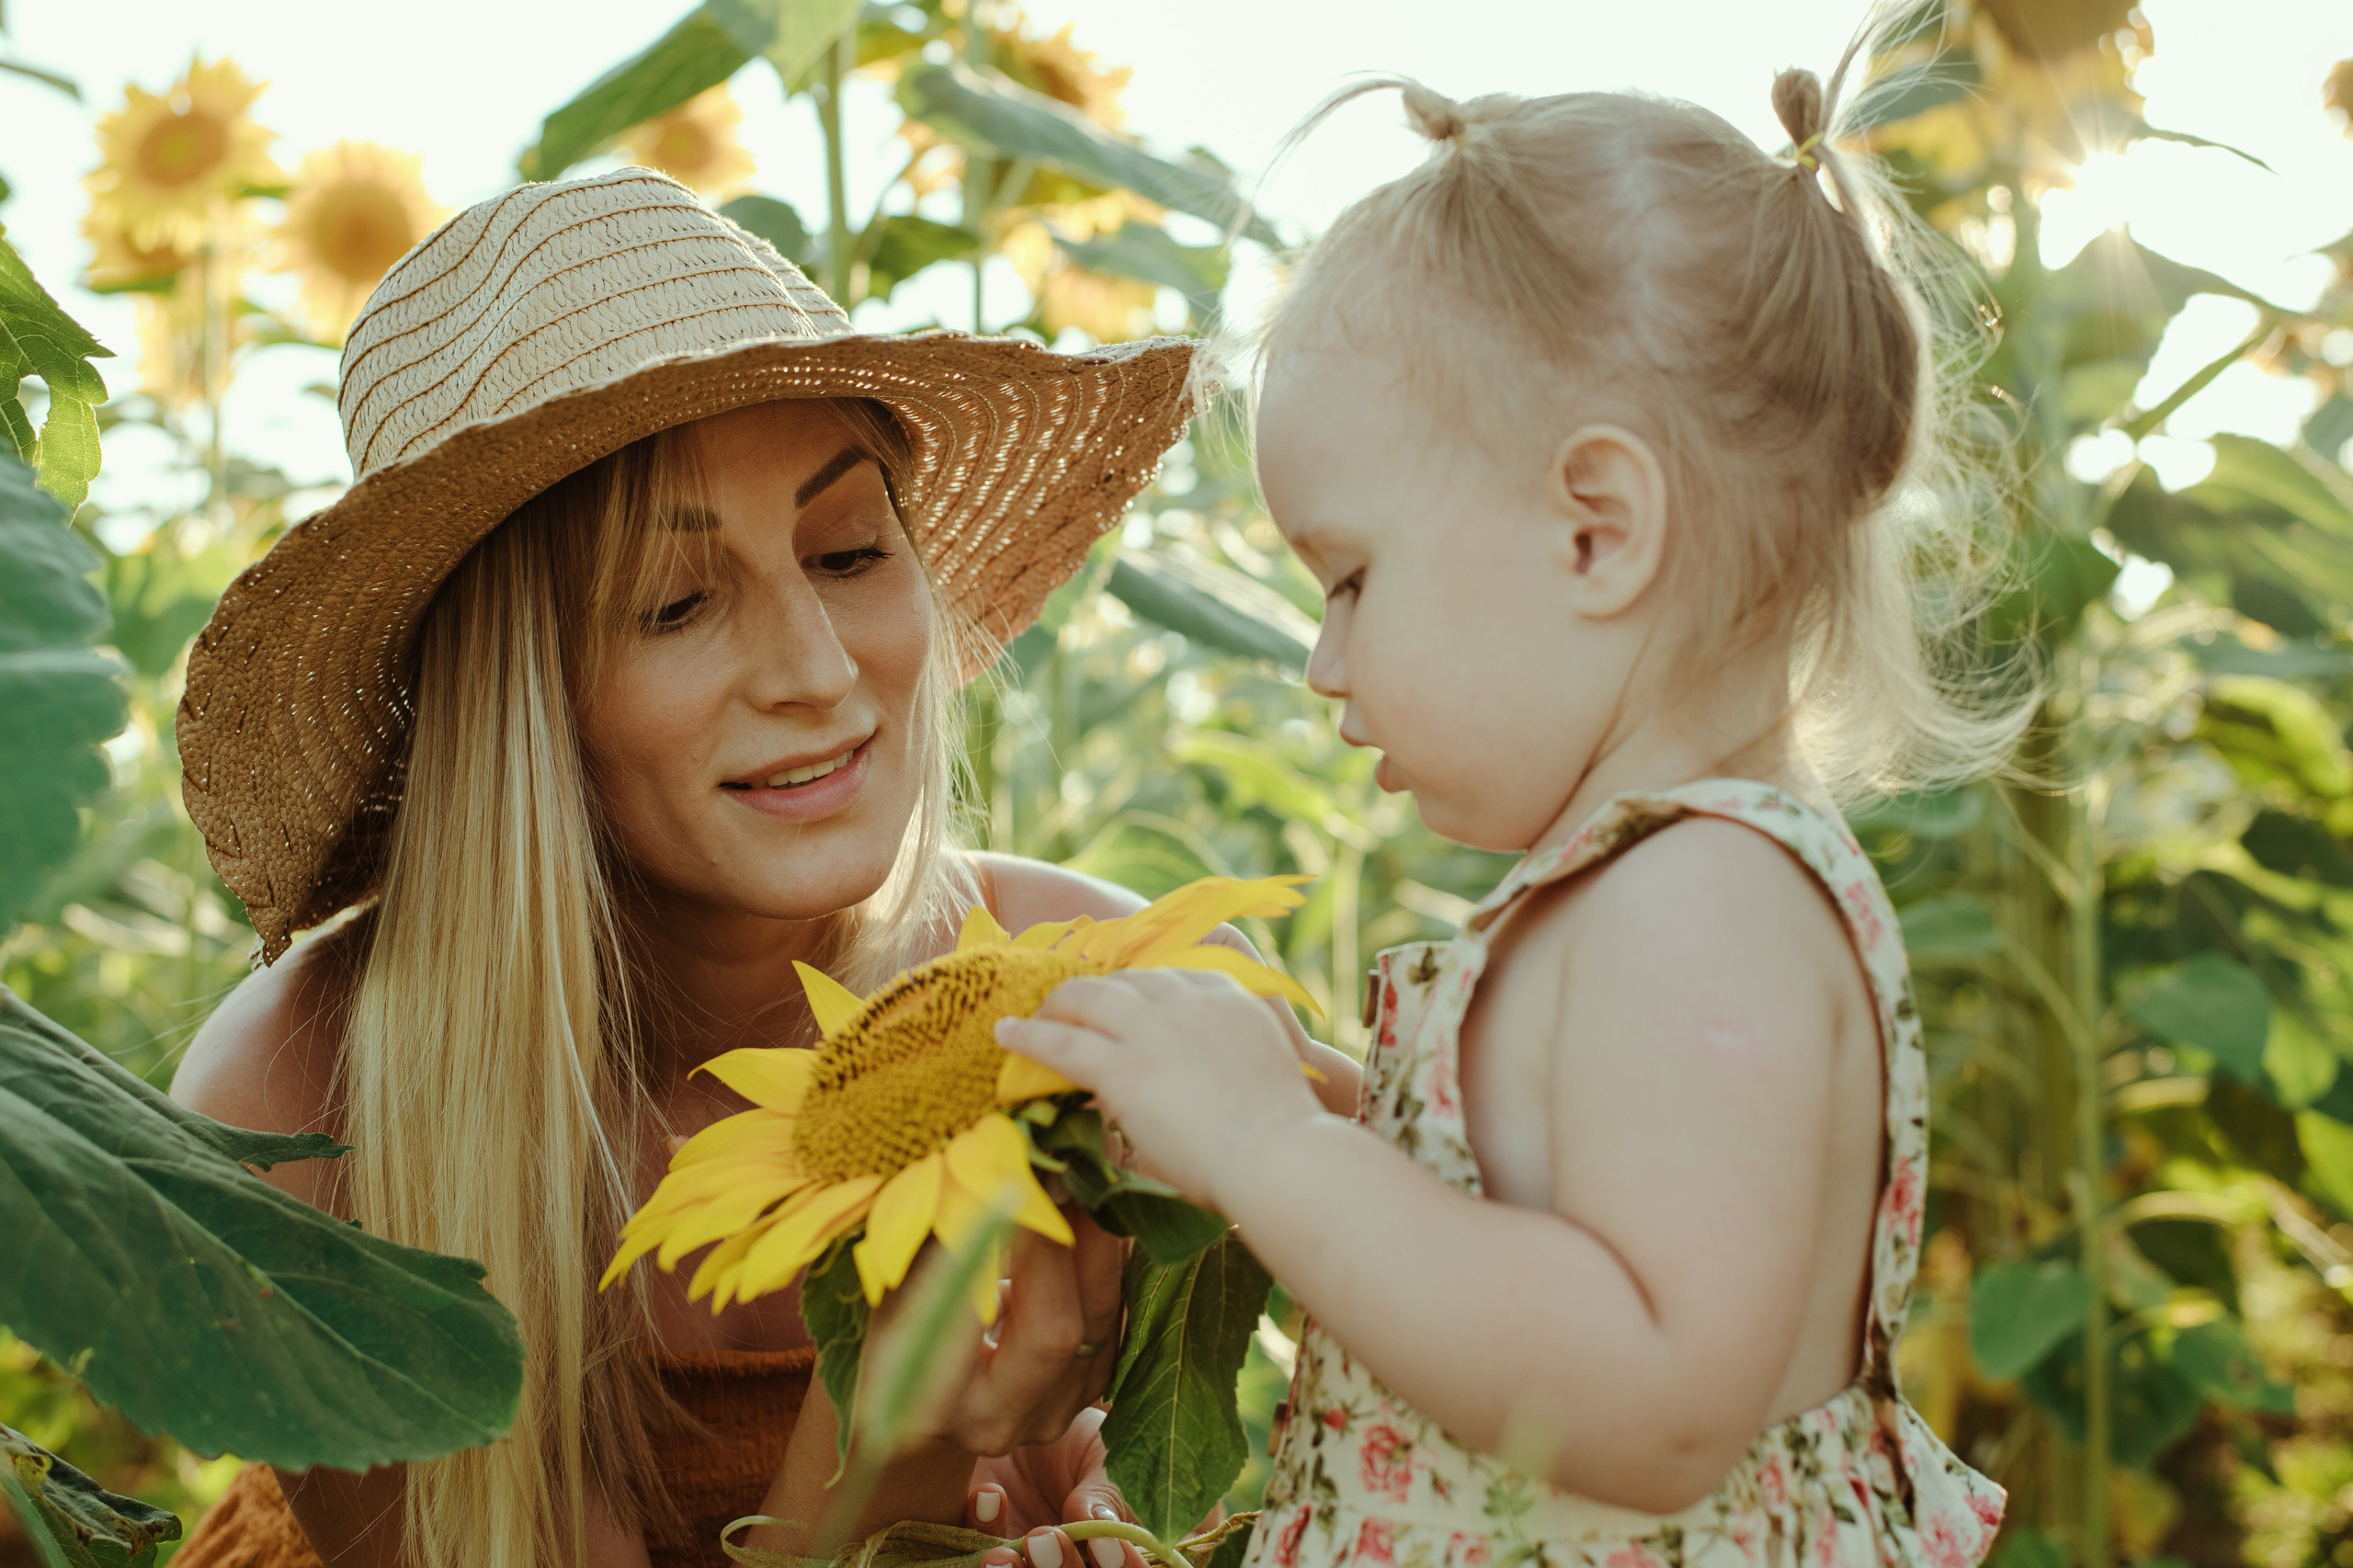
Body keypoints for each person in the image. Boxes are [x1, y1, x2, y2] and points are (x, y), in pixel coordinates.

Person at [166, 168, 1357, 1568]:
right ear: (520, 713)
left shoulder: (1090, 986)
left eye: (851, 550)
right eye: (677, 604)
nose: (818, 668)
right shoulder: (305, 1115)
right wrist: (891, 1458)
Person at [993, 39, 2022, 1568]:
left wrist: (1274, 1147)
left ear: (1597, 533)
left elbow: (1653, 1397)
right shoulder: (1648, 893)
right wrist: (1347, 1113)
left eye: (1350, 578)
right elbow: (1539, 1247)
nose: (1324, 664)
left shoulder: (1703, 905)